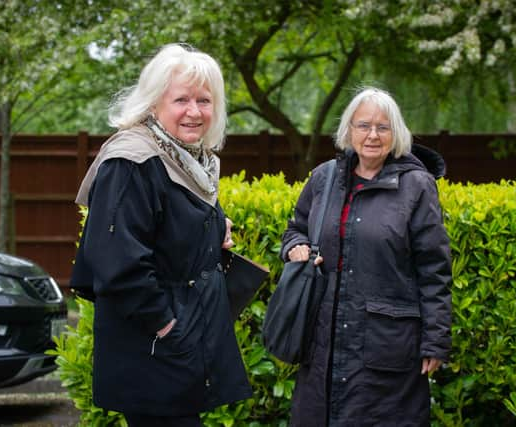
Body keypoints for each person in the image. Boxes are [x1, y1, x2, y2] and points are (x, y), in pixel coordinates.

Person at [70, 43, 252, 427]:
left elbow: (170, 220)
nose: (194, 111)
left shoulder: (186, 160)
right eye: (181, 99)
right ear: (154, 103)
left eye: (204, 100)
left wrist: (217, 227)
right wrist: (166, 325)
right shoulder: (133, 160)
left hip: (179, 345)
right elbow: (117, 260)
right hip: (154, 346)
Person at [281, 87, 452, 426]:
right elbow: (295, 229)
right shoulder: (324, 178)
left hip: (387, 347)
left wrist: (435, 340)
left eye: (383, 127)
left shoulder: (417, 186)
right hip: (322, 342)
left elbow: (434, 268)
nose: (372, 135)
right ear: (349, 131)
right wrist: (295, 248)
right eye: (363, 126)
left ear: (396, 134)